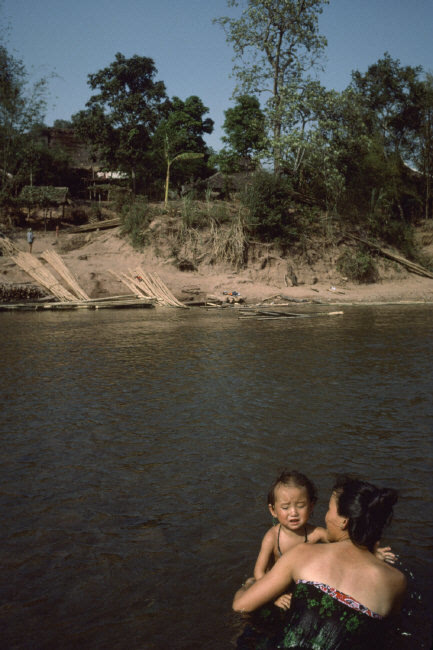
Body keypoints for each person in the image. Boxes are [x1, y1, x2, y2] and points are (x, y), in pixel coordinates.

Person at [233, 476, 406, 649]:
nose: (325, 516)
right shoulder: (397, 581)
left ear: (343, 521)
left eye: (329, 509)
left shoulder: (302, 553)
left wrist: (246, 586)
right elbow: (387, 632)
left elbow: (241, 606)